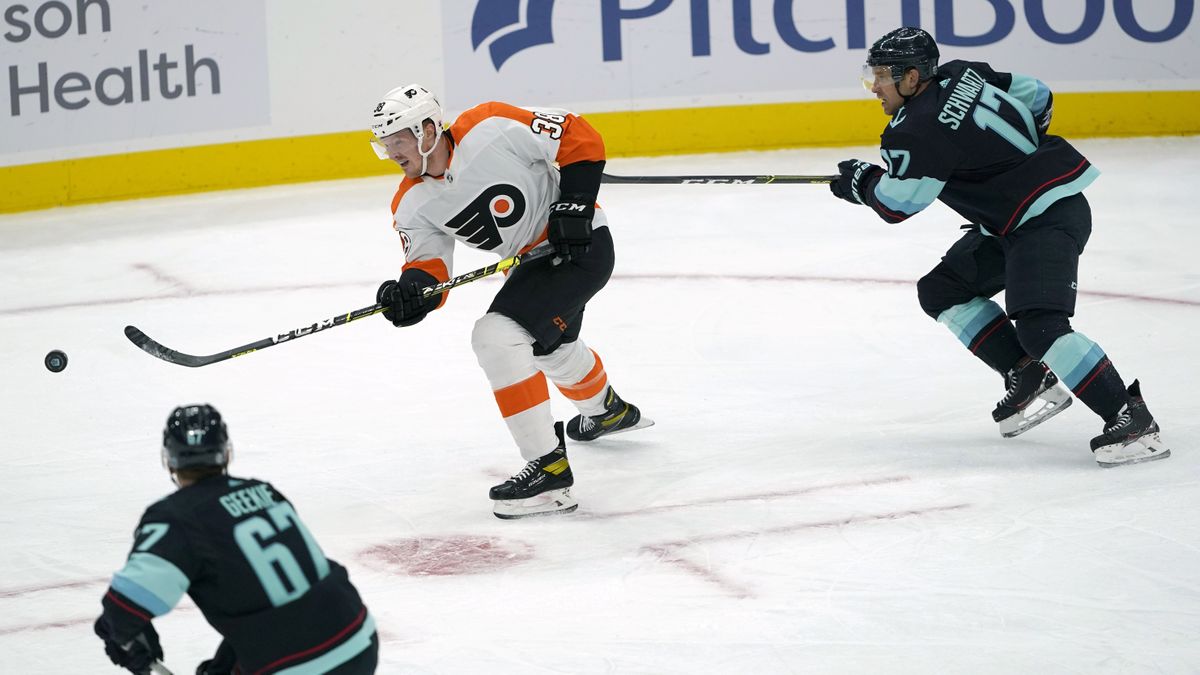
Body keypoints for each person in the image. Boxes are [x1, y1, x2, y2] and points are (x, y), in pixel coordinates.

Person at [829, 27, 1169, 467]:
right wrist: (1012, 158)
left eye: (882, 76)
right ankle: (1027, 373)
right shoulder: (964, 74)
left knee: (1041, 326)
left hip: (1045, 221)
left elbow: (900, 203)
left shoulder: (915, 129)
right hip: (1018, 219)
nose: (875, 87)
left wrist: (863, 182)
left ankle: (1131, 419)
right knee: (942, 290)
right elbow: (1039, 95)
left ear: (912, 78)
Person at [368, 84, 651, 519]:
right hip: (532, 266)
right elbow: (429, 267)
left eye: (397, 141)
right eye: (384, 145)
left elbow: (577, 136)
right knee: (550, 349)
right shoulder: (411, 203)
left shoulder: (491, 125)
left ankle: (548, 469)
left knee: (497, 336)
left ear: (427, 130)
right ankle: (607, 411)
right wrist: (411, 294)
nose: (391, 153)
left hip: (581, 247)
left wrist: (574, 203)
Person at [94, 405, 378, 674]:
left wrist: (121, 636)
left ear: (169, 460)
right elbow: (280, 596)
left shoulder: (175, 518)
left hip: (291, 664)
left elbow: (123, 610)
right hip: (357, 637)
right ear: (226, 453)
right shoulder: (265, 493)